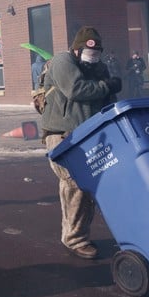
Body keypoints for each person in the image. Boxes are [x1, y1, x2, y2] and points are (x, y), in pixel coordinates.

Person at [40, 26, 121, 260]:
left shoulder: (99, 68)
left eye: (96, 54)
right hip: (62, 134)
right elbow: (76, 89)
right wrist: (106, 86)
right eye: (87, 53)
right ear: (76, 50)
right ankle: (75, 239)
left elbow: (107, 100)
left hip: (90, 134)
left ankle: (76, 232)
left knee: (88, 185)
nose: (92, 58)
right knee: (74, 182)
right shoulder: (62, 61)